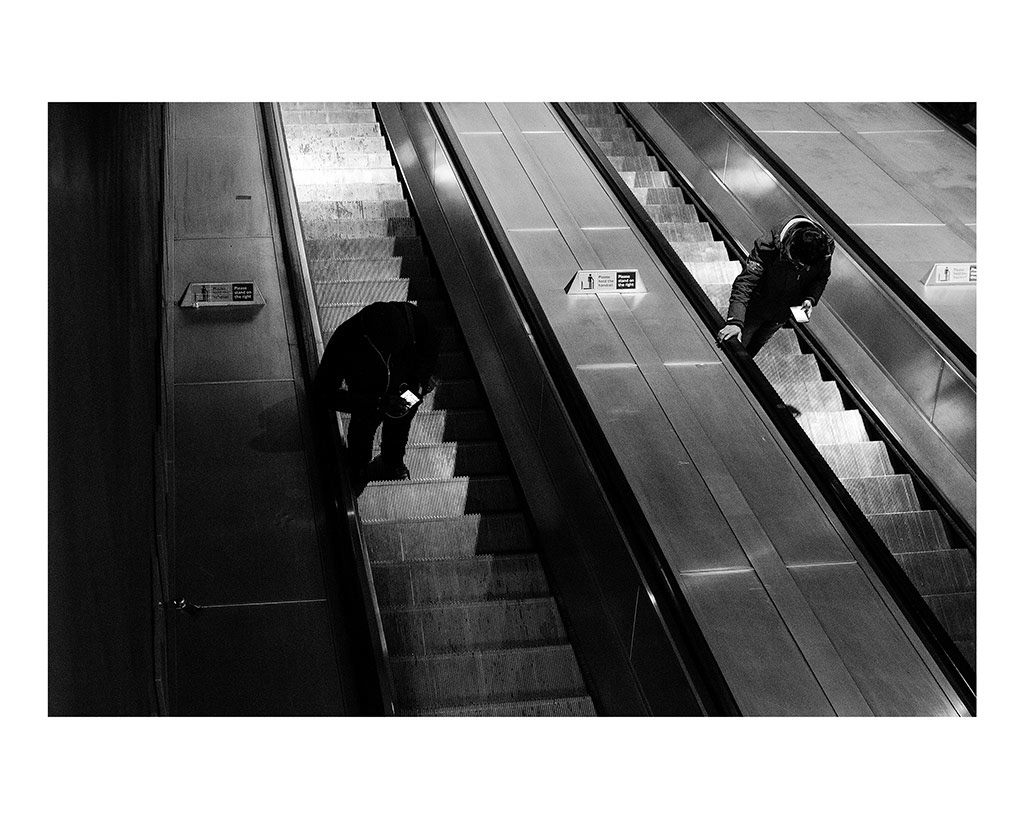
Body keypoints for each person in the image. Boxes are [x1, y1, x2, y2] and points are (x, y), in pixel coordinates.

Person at [314, 301, 439, 485]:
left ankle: (391, 461)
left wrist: (419, 388)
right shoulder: (345, 341)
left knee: (402, 416)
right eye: (387, 354)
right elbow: (322, 393)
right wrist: (376, 402)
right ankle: (358, 467)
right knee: (363, 426)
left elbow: (429, 361)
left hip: (406, 382)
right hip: (367, 390)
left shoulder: (419, 323)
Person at [716, 215, 835, 357]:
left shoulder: (823, 250)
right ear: (790, 245)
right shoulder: (767, 247)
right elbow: (745, 283)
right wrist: (735, 321)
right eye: (797, 263)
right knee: (737, 349)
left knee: (757, 344)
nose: (801, 268)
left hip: (781, 315)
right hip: (755, 311)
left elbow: (821, 277)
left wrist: (810, 298)